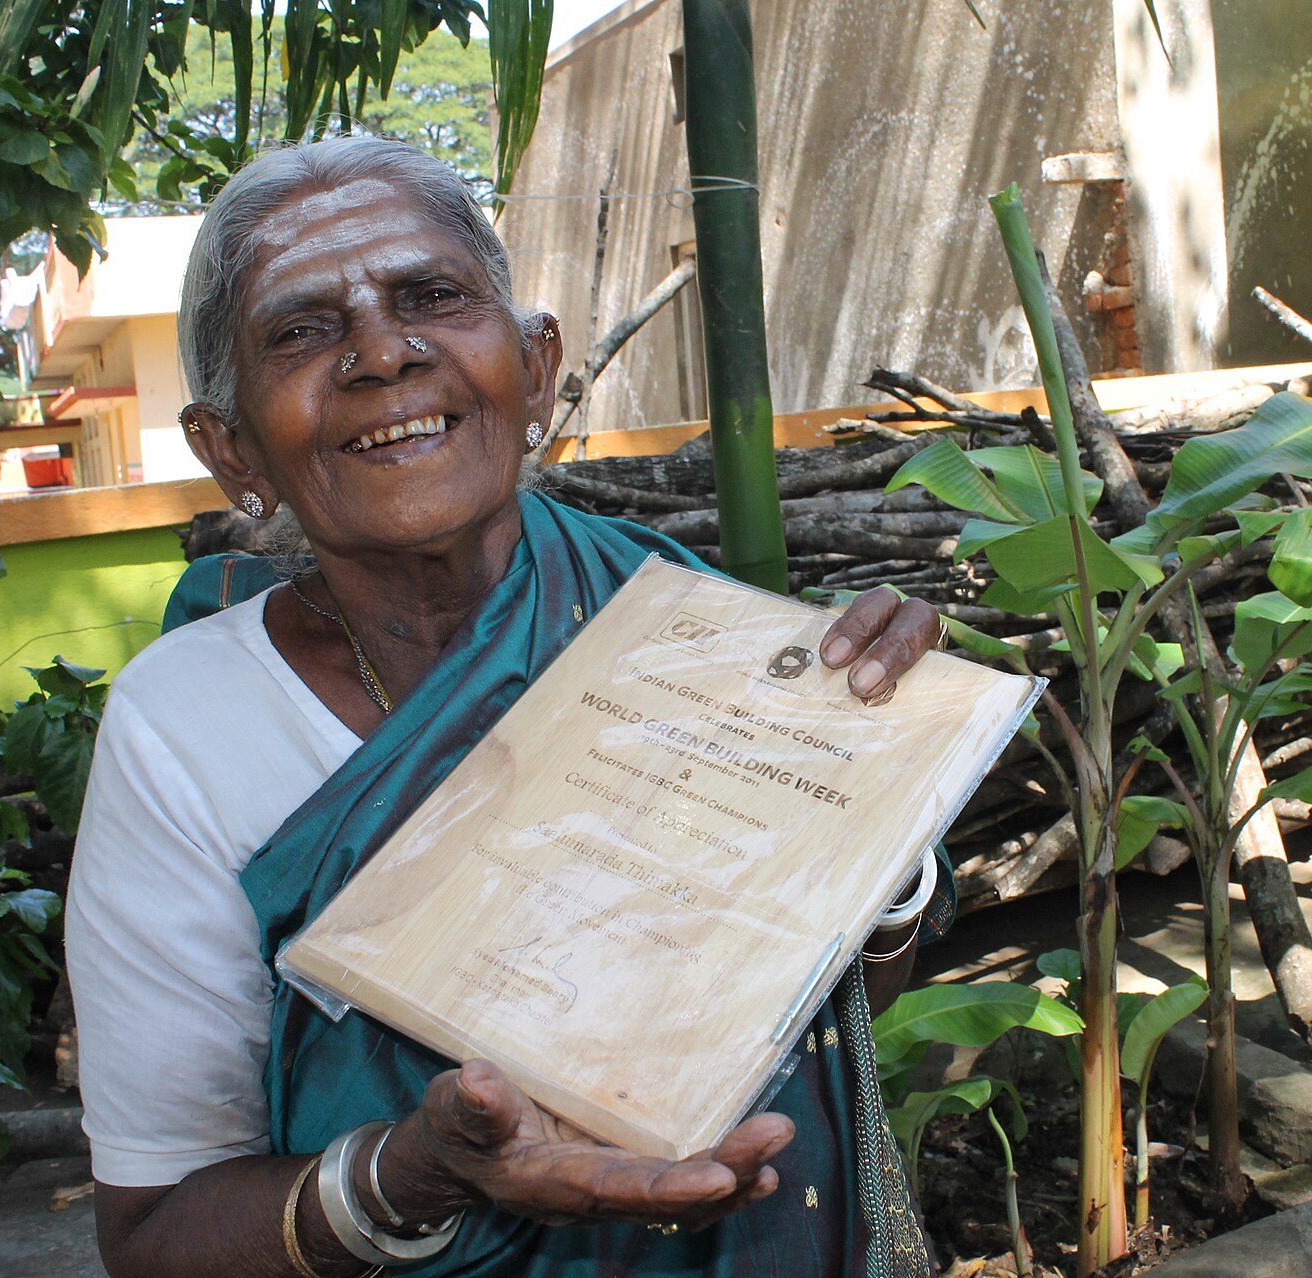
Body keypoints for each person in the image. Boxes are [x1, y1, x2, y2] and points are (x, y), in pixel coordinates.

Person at [67, 134, 952, 1278]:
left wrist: (876, 793)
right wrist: (408, 1173)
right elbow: (154, 1236)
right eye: (302, 330)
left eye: (432, 296)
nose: (383, 351)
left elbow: (842, 1012)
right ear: (231, 449)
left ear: (536, 371)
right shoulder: (183, 727)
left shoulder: (698, 637)